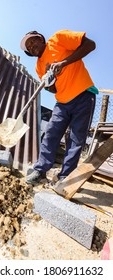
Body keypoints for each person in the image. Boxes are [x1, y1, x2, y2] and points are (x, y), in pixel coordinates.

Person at [20, 30, 98, 186]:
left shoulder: (58, 39)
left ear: (40, 38)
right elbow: (53, 90)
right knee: (50, 134)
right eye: (29, 47)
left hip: (83, 95)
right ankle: (40, 171)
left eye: (33, 41)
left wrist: (63, 63)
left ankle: (65, 178)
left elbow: (91, 45)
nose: (32, 46)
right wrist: (50, 83)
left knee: (76, 140)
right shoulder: (39, 67)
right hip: (62, 103)